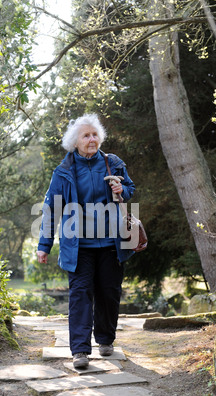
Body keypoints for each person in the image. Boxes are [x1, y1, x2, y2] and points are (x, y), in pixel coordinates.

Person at [37, 114, 135, 369]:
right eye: (86, 135)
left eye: (94, 134)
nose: (92, 139)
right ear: (75, 142)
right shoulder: (64, 171)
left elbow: (131, 189)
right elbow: (51, 209)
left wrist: (121, 191)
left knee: (109, 292)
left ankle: (105, 340)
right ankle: (80, 350)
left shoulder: (113, 163)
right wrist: (43, 245)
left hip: (112, 242)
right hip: (78, 245)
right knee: (80, 294)